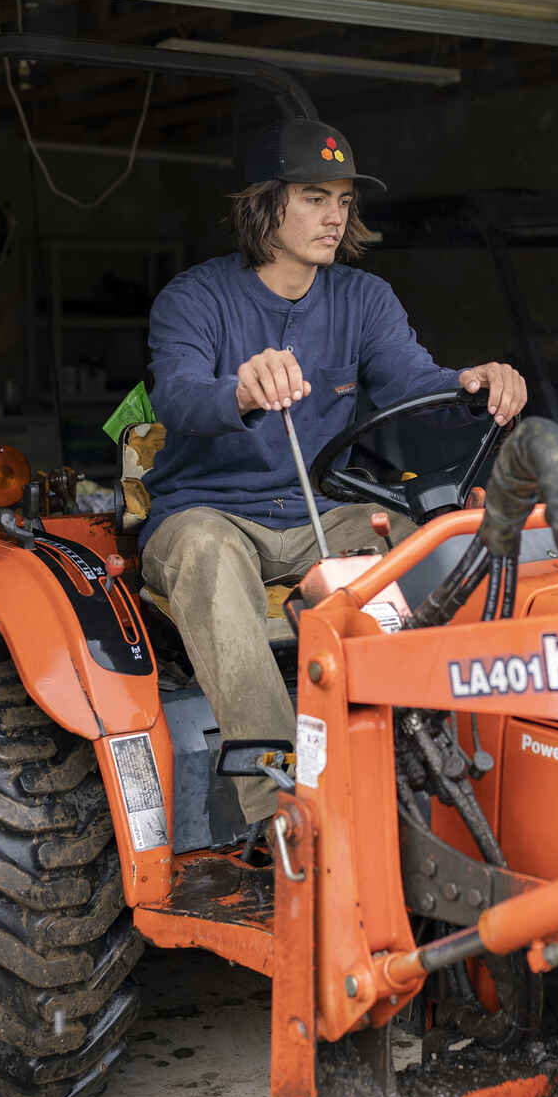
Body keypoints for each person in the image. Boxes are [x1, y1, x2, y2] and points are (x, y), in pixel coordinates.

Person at [140, 118, 526, 825]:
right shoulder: (194, 299)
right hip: (209, 512)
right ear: (264, 205)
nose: (334, 216)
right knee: (203, 550)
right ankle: (279, 806)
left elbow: (415, 384)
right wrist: (241, 389)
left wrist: (474, 383)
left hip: (321, 511)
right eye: (315, 197)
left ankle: (437, 764)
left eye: (343, 201)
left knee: (429, 544)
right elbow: (179, 394)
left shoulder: (363, 299)